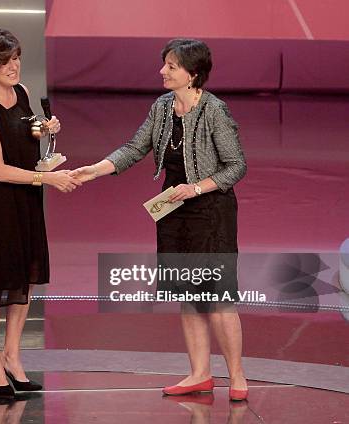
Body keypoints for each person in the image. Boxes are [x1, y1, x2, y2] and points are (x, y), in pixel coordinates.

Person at [71, 39, 249, 401]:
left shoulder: (215, 110)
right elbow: (135, 148)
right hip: (173, 209)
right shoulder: (162, 107)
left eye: (171, 65)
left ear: (192, 73)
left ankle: (237, 376)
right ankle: (199, 373)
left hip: (210, 211)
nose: (162, 71)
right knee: (187, 293)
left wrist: (196, 188)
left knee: (217, 297)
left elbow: (236, 166)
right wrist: (96, 170)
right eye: (164, 64)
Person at [0, 29, 81, 396]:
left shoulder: (24, 94)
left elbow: (24, 133)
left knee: (23, 279)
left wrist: (43, 131)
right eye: (5, 60)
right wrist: (48, 180)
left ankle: (14, 356)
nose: (13, 66)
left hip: (26, 200)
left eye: (16, 58)